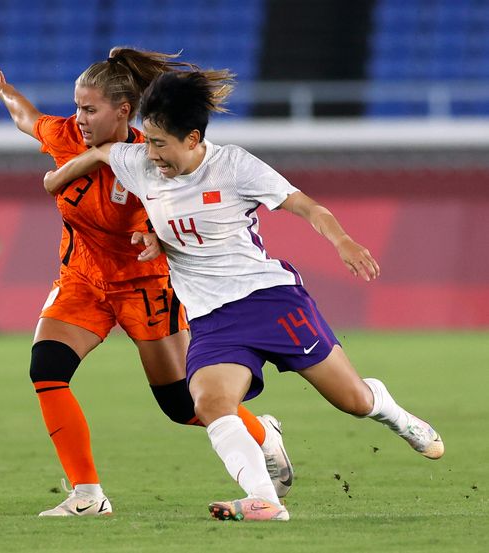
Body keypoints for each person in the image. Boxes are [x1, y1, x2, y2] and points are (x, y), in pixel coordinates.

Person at [43, 70, 445, 522]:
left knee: (353, 401)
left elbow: (307, 205)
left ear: (193, 138)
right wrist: (55, 179)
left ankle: (391, 410)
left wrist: (342, 241)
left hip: (268, 300)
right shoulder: (138, 162)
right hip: (211, 319)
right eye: (148, 140)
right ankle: (266, 500)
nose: (150, 154)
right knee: (209, 403)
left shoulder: (233, 166)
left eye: (160, 144)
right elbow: (102, 153)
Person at [0, 50, 294, 516]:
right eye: (77, 107)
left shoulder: (152, 156)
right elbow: (29, 120)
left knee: (182, 405)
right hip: (82, 279)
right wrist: (3, 91)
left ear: (123, 111)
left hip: (144, 286)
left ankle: (263, 433)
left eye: (90, 109)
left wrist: (153, 232)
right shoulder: (65, 136)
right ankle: (87, 496)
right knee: (46, 369)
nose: (79, 118)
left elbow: (177, 209)